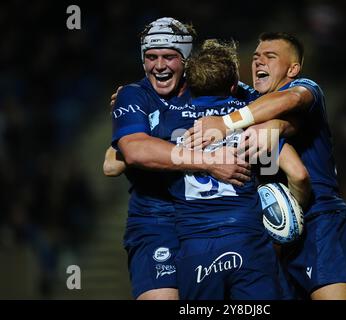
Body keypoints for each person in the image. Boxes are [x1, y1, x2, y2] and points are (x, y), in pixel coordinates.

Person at [185, 32, 346, 300]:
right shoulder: (250, 103)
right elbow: (215, 81)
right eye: (256, 58)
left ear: (292, 68)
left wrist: (226, 124)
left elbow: (291, 101)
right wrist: (139, 95)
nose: (259, 63)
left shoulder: (306, 88)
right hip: (273, 232)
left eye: (270, 57)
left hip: (320, 221)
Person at [107, 17, 251, 300]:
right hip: (156, 223)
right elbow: (134, 150)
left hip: (214, 223)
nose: (159, 66)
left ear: (186, 59)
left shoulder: (211, 87)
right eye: (151, 57)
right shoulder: (134, 95)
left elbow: (269, 108)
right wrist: (208, 161)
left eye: (169, 57)